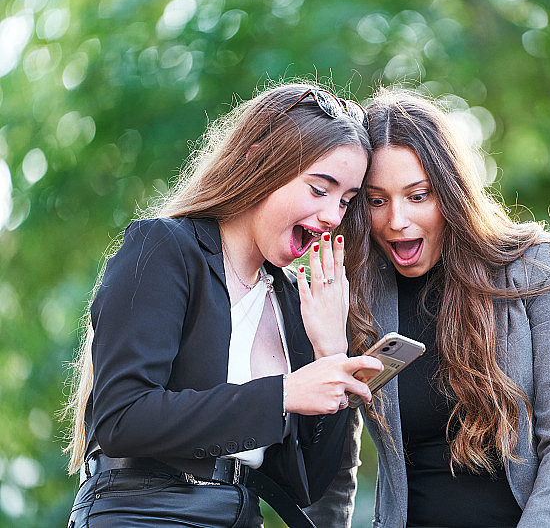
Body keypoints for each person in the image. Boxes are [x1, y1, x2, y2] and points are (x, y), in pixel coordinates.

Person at [62, 82, 385, 528]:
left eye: (346, 201)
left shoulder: (294, 301)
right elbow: (122, 417)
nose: (333, 215)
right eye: (318, 189)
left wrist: (331, 351)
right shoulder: (166, 249)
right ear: (258, 162)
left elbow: (309, 484)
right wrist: (284, 394)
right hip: (144, 514)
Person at [310, 88, 550, 527]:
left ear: (452, 192)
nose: (395, 220)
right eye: (376, 199)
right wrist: (328, 351)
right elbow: (334, 462)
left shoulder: (539, 268)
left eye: (418, 195)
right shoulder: (355, 295)